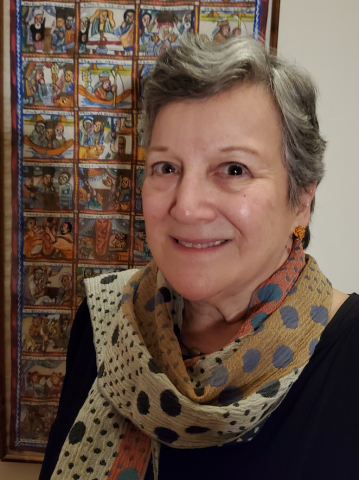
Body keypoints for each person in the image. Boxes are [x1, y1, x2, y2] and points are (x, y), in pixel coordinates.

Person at [40, 36, 359, 480]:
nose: (186, 207)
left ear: (301, 200)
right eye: (167, 168)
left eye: (233, 170)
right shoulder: (102, 321)